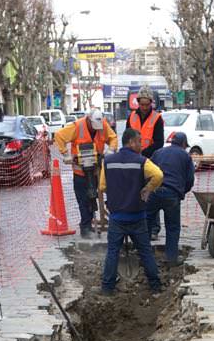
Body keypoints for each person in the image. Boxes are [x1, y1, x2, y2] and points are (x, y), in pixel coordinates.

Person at [100, 128, 164, 295]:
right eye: (139, 142)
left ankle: (107, 287)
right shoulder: (142, 162)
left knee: (113, 251)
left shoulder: (108, 161)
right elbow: (158, 175)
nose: (141, 145)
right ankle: (155, 285)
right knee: (145, 251)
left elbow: (102, 186)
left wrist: (116, 193)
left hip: (116, 217)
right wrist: (147, 189)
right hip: (137, 216)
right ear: (131, 142)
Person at [54, 107, 118, 237]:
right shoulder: (77, 126)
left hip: (96, 171)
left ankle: (95, 221)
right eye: (94, 126)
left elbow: (113, 138)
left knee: (94, 197)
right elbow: (59, 136)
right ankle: (85, 227)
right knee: (83, 200)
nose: (96, 129)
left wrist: (111, 150)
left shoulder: (103, 125)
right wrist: (65, 154)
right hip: (80, 172)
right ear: (88, 120)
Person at [145, 132, 195, 265]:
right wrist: (181, 191)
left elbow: (147, 171)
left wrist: (147, 189)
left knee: (146, 224)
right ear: (184, 144)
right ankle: (171, 258)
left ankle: (144, 256)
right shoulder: (185, 156)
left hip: (154, 192)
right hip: (172, 193)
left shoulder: (158, 152)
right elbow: (190, 180)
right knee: (172, 227)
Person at [128, 87, 164, 158]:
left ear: (151, 103)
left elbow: (159, 143)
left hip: (150, 158)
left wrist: (143, 153)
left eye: (147, 105)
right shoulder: (131, 116)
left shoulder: (157, 118)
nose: (144, 108)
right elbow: (127, 138)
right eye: (142, 105)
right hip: (133, 156)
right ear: (138, 103)